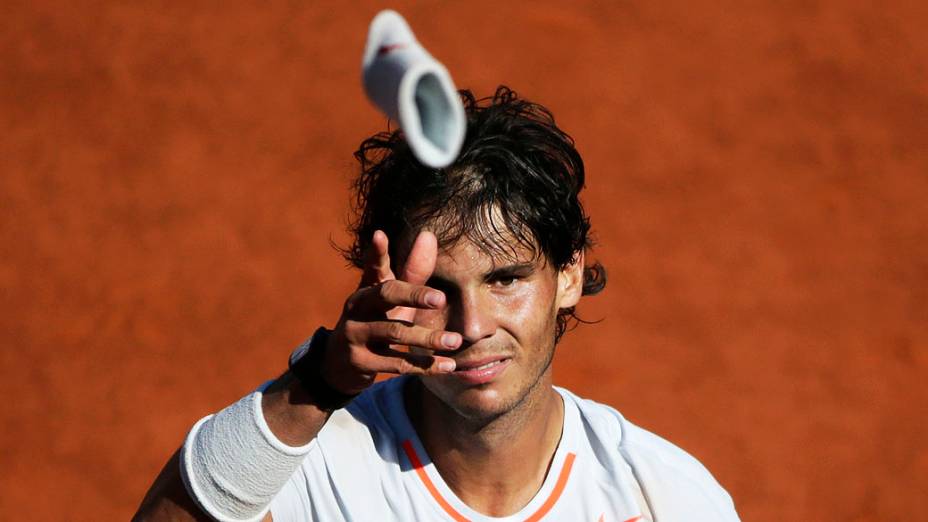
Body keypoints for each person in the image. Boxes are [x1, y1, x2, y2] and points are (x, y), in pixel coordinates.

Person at [135, 87, 740, 522]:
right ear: (389, 287)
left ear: (569, 277)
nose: (473, 327)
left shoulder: (665, 498)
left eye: (504, 279)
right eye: (438, 291)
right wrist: (316, 384)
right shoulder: (311, 469)